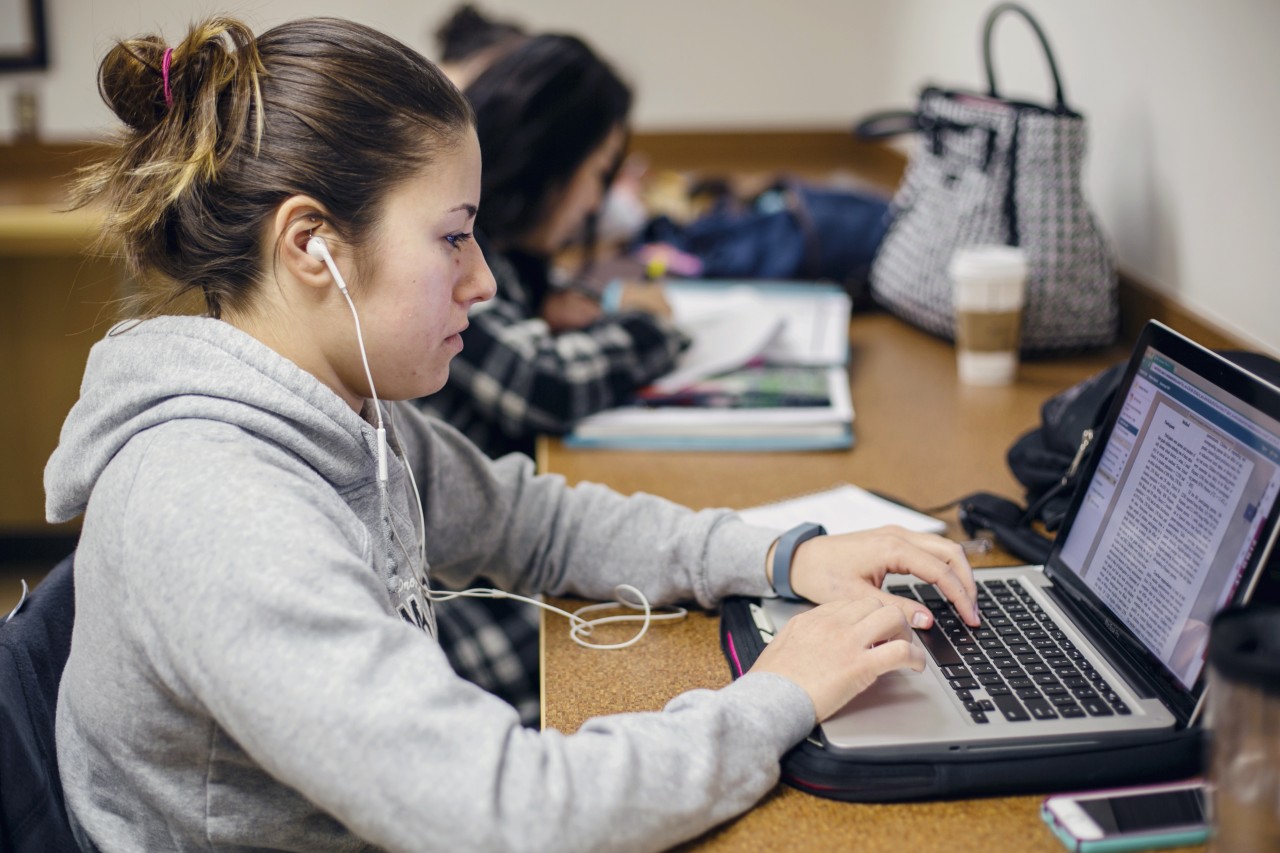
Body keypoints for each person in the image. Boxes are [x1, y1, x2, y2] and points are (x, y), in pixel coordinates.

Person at [48, 15, 979, 852]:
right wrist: (780, 692)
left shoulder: (337, 412)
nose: (485, 280)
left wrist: (779, 556)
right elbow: (507, 814)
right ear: (311, 248)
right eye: (454, 237)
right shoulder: (221, 510)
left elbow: (533, 523)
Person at [418, 32, 689, 727]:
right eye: (599, 175)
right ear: (550, 163)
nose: (596, 202)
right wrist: (651, 327)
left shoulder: (504, 262)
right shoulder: (451, 275)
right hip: (463, 617)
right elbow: (545, 381)